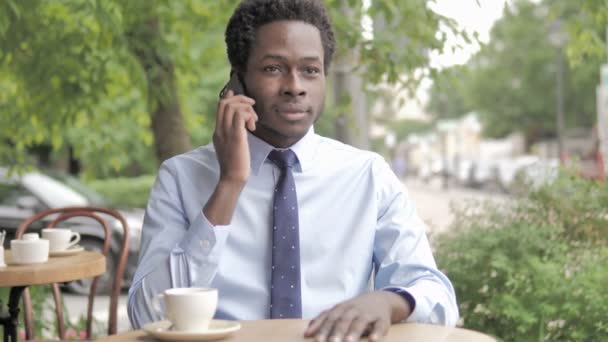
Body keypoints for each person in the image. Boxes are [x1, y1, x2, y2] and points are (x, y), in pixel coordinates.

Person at [127, 0, 458, 341]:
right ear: (237, 81)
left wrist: (388, 302)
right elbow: (146, 313)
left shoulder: (368, 176)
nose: (295, 86)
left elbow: (438, 297)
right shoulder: (181, 178)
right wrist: (229, 185)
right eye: (273, 68)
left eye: (310, 70)